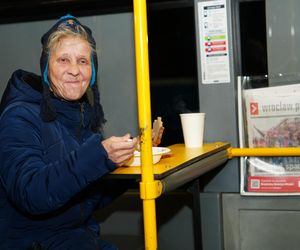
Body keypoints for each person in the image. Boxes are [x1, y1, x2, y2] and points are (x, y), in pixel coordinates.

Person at [0, 15, 162, 250]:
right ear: (47, 67)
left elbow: (86, 199)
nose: (74, 70)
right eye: (63, 60)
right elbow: (32, 194)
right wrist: (98, 156)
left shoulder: (80, 116)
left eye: (83, 61)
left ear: (92, 71)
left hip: (77, 238)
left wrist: (127, 161)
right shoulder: (19, 116)